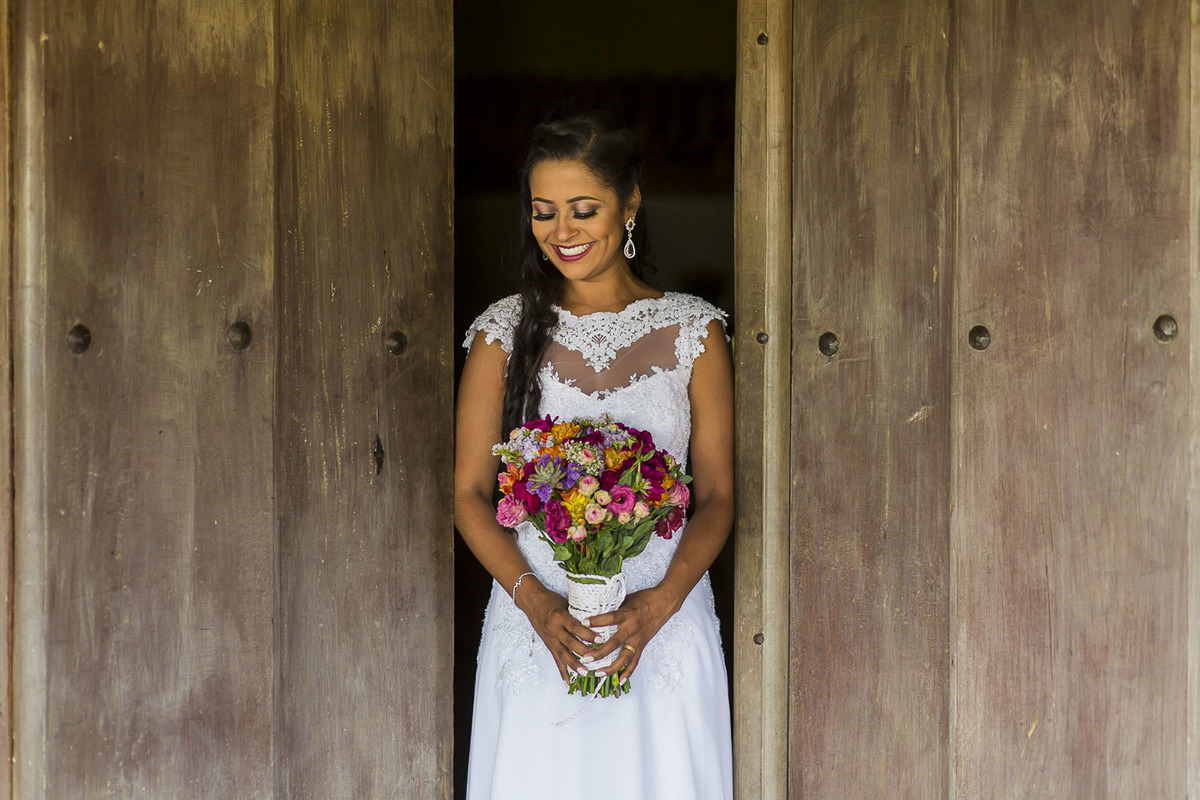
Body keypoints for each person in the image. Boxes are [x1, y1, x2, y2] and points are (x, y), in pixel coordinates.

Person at [454, 115, 734, 799]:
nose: (562, 231)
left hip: (662, 624)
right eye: (543, 211)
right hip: (537, 628)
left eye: (583, 210)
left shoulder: (694, 331)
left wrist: (660, 605)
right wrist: (536, 602)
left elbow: (718, 497)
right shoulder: (501, 333)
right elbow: (468, 495)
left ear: (629, 204)